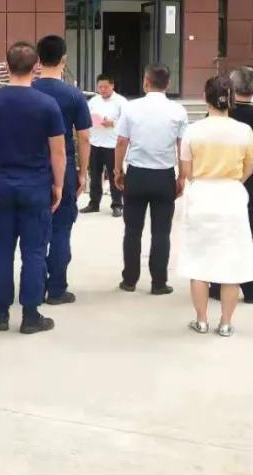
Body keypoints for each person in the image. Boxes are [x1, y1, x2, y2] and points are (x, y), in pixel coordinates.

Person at [0, 42, 65, 334]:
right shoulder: (47, 104)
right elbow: (58, 151)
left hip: (3, 184)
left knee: (2, 249)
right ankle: (31, 315)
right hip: (36, 184)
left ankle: (0, 312)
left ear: (6, 66)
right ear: (36, 67)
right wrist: (58, 184)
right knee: (34, 251)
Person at [177, 76, 253, 337]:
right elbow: (248, 169)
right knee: (231, 263)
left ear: (205, 98)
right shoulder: (244, 131)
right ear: (232, 99)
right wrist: (230, 182)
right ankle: (225, 323)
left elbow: (186, 169)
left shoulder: (193, 130)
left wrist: (202, 180)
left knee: (199, 261)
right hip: (232, 195)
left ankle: (201, 320)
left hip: (201, 195)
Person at [115, 64, 188, 296]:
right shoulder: (178, 111)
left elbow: (121, 142)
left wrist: (117, 170)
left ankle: (129, 280)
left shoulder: (131, 108)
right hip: (164, 175)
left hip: (137, 174)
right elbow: (182, 147)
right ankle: (159, 282)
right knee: (161, 232)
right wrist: (182, 176)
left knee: (132, 230)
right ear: (168, 84)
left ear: (146, 82)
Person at [209, 67, 253, 305]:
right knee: (252, 235)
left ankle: (217, 286)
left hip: (223, 182)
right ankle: (252, 290)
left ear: (231, 87)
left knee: (222, 234)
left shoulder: (219, 115)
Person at [32, 35, 90, 305]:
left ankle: (34, 286)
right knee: (61, 228)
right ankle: (56, 288)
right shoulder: (73, 95)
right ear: (64, 59)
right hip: (63, 166)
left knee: (34, 230)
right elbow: (84, 137)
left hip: (32, 166)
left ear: (38, 59)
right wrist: (82, 172)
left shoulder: (28, 90)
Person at [83, 74, 127, 217]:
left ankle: (117, 204)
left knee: (115, 175)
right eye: (100, 87)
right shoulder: (93, 101)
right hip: (95, 143)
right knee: (95, 175)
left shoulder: (121, 102)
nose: (102, 90)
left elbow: (127, 122)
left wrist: (112, 123)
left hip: (112, 144)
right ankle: (94, 203)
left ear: (112, 86)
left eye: (105, 87)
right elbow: (86, 118)